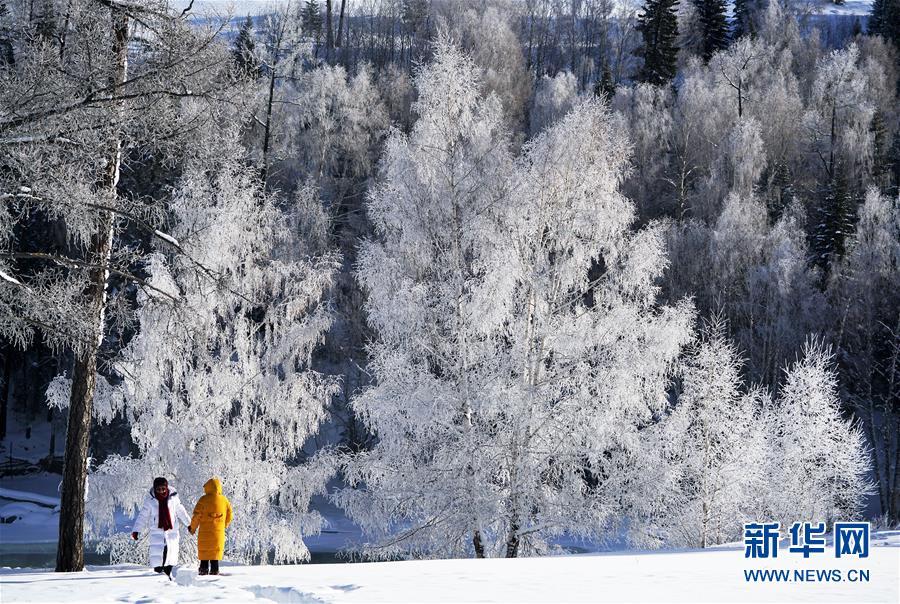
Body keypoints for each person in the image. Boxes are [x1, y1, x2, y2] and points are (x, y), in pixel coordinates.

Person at [131, 476, 191, 577]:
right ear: (155, 489)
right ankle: (158, 576)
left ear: (167, 487)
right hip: (156, 531)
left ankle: (167, 576)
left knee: (170, 555)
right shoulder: (150, 500)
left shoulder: (173, 498)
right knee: (158, 557)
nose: (161, 491)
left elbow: (181, 511)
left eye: (163, 488)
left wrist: (189, 524)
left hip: (172, 531)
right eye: (158, 489)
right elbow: (143, 516)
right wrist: (136, 530)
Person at [189, 477, 233, 576]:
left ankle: (203, 572)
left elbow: (197, 515)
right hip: (218, 534)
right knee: (215, 556)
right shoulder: (224, 500)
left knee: (205, 555)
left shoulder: (203, 499)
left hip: (205, 534)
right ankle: (214, 573)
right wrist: (223, 525)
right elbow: (230, 515)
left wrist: (192, 528)